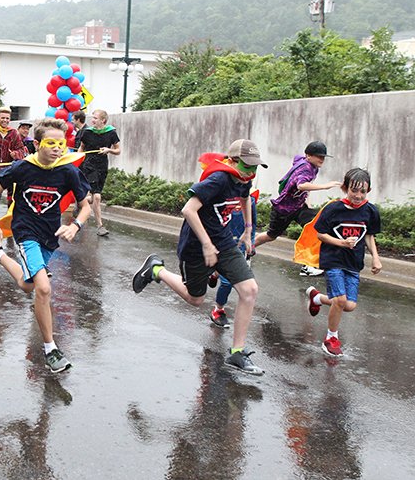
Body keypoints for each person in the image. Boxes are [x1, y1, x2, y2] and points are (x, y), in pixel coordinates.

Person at [132, 139, 267, 376]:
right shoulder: (219, 179)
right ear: (232, 161)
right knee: (195, 299)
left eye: (256, 167)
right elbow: (188, 209)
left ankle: (237, 352)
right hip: (196, 246)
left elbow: (246, 199)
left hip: (224, 243)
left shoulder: (243, 179)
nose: (252, 172)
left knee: (250, 290)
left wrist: (247, 230)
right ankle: (156, 270)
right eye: (248, 166)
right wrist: (206, 244)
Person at [0, 118, 91, 373]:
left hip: (49, 236)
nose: (58, 148)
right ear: (36, 144)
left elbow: (86, 205)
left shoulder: (68, 171)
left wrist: (76, 225)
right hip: (26, 233)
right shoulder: (22, 167)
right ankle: (50, 350)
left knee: (27, 285)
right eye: (51, 143)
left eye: (62, 143)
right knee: (43, 289)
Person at [304, 168, 381, 357]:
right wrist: (342, 243)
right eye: (354, 190)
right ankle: (331, 338)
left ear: (368, 191)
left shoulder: (370, 211)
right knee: (340, 300)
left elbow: (369, 236)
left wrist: (376, 259)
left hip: (353, 263)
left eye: (362, 191)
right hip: (333, 260)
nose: (358, 195)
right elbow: (321, 234)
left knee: (349, 305)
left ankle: (317, 298)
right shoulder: (334, 208)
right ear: (346, 188)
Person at [253, 141, 342, 276]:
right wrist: (325, 186)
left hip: (299, 207)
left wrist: (307, 202)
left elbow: (304, 183)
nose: (322, 160)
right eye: (319, 156)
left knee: (316, 227)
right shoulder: (305, 167)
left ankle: (308, 265)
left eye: (323, 157)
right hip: (284, 209)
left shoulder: (310, 165)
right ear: (309, 155)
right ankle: (246, 248)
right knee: (271, 235)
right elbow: (301, 185)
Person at [209, 193, 258, 328]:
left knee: (229, 281)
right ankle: (218, 309)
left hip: (238, 246)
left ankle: (215, 274)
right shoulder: (220, 197)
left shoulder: (250, 200)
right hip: (220, 243)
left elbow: (252, 224)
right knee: (227, 282)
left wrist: (251, 241)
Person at [76, 109, 120, 236]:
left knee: (94, 197)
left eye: (95, 118)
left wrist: (108, 150)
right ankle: (100, 226)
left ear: (103, 120)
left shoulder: (111, 133)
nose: (92, 120)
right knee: (97, 196)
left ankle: (82, 202)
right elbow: (81, 148)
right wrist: (77, 160)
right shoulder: (87, 132)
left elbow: (118, 150)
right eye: (92, 117)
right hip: (89, 165)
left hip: (102, 166)